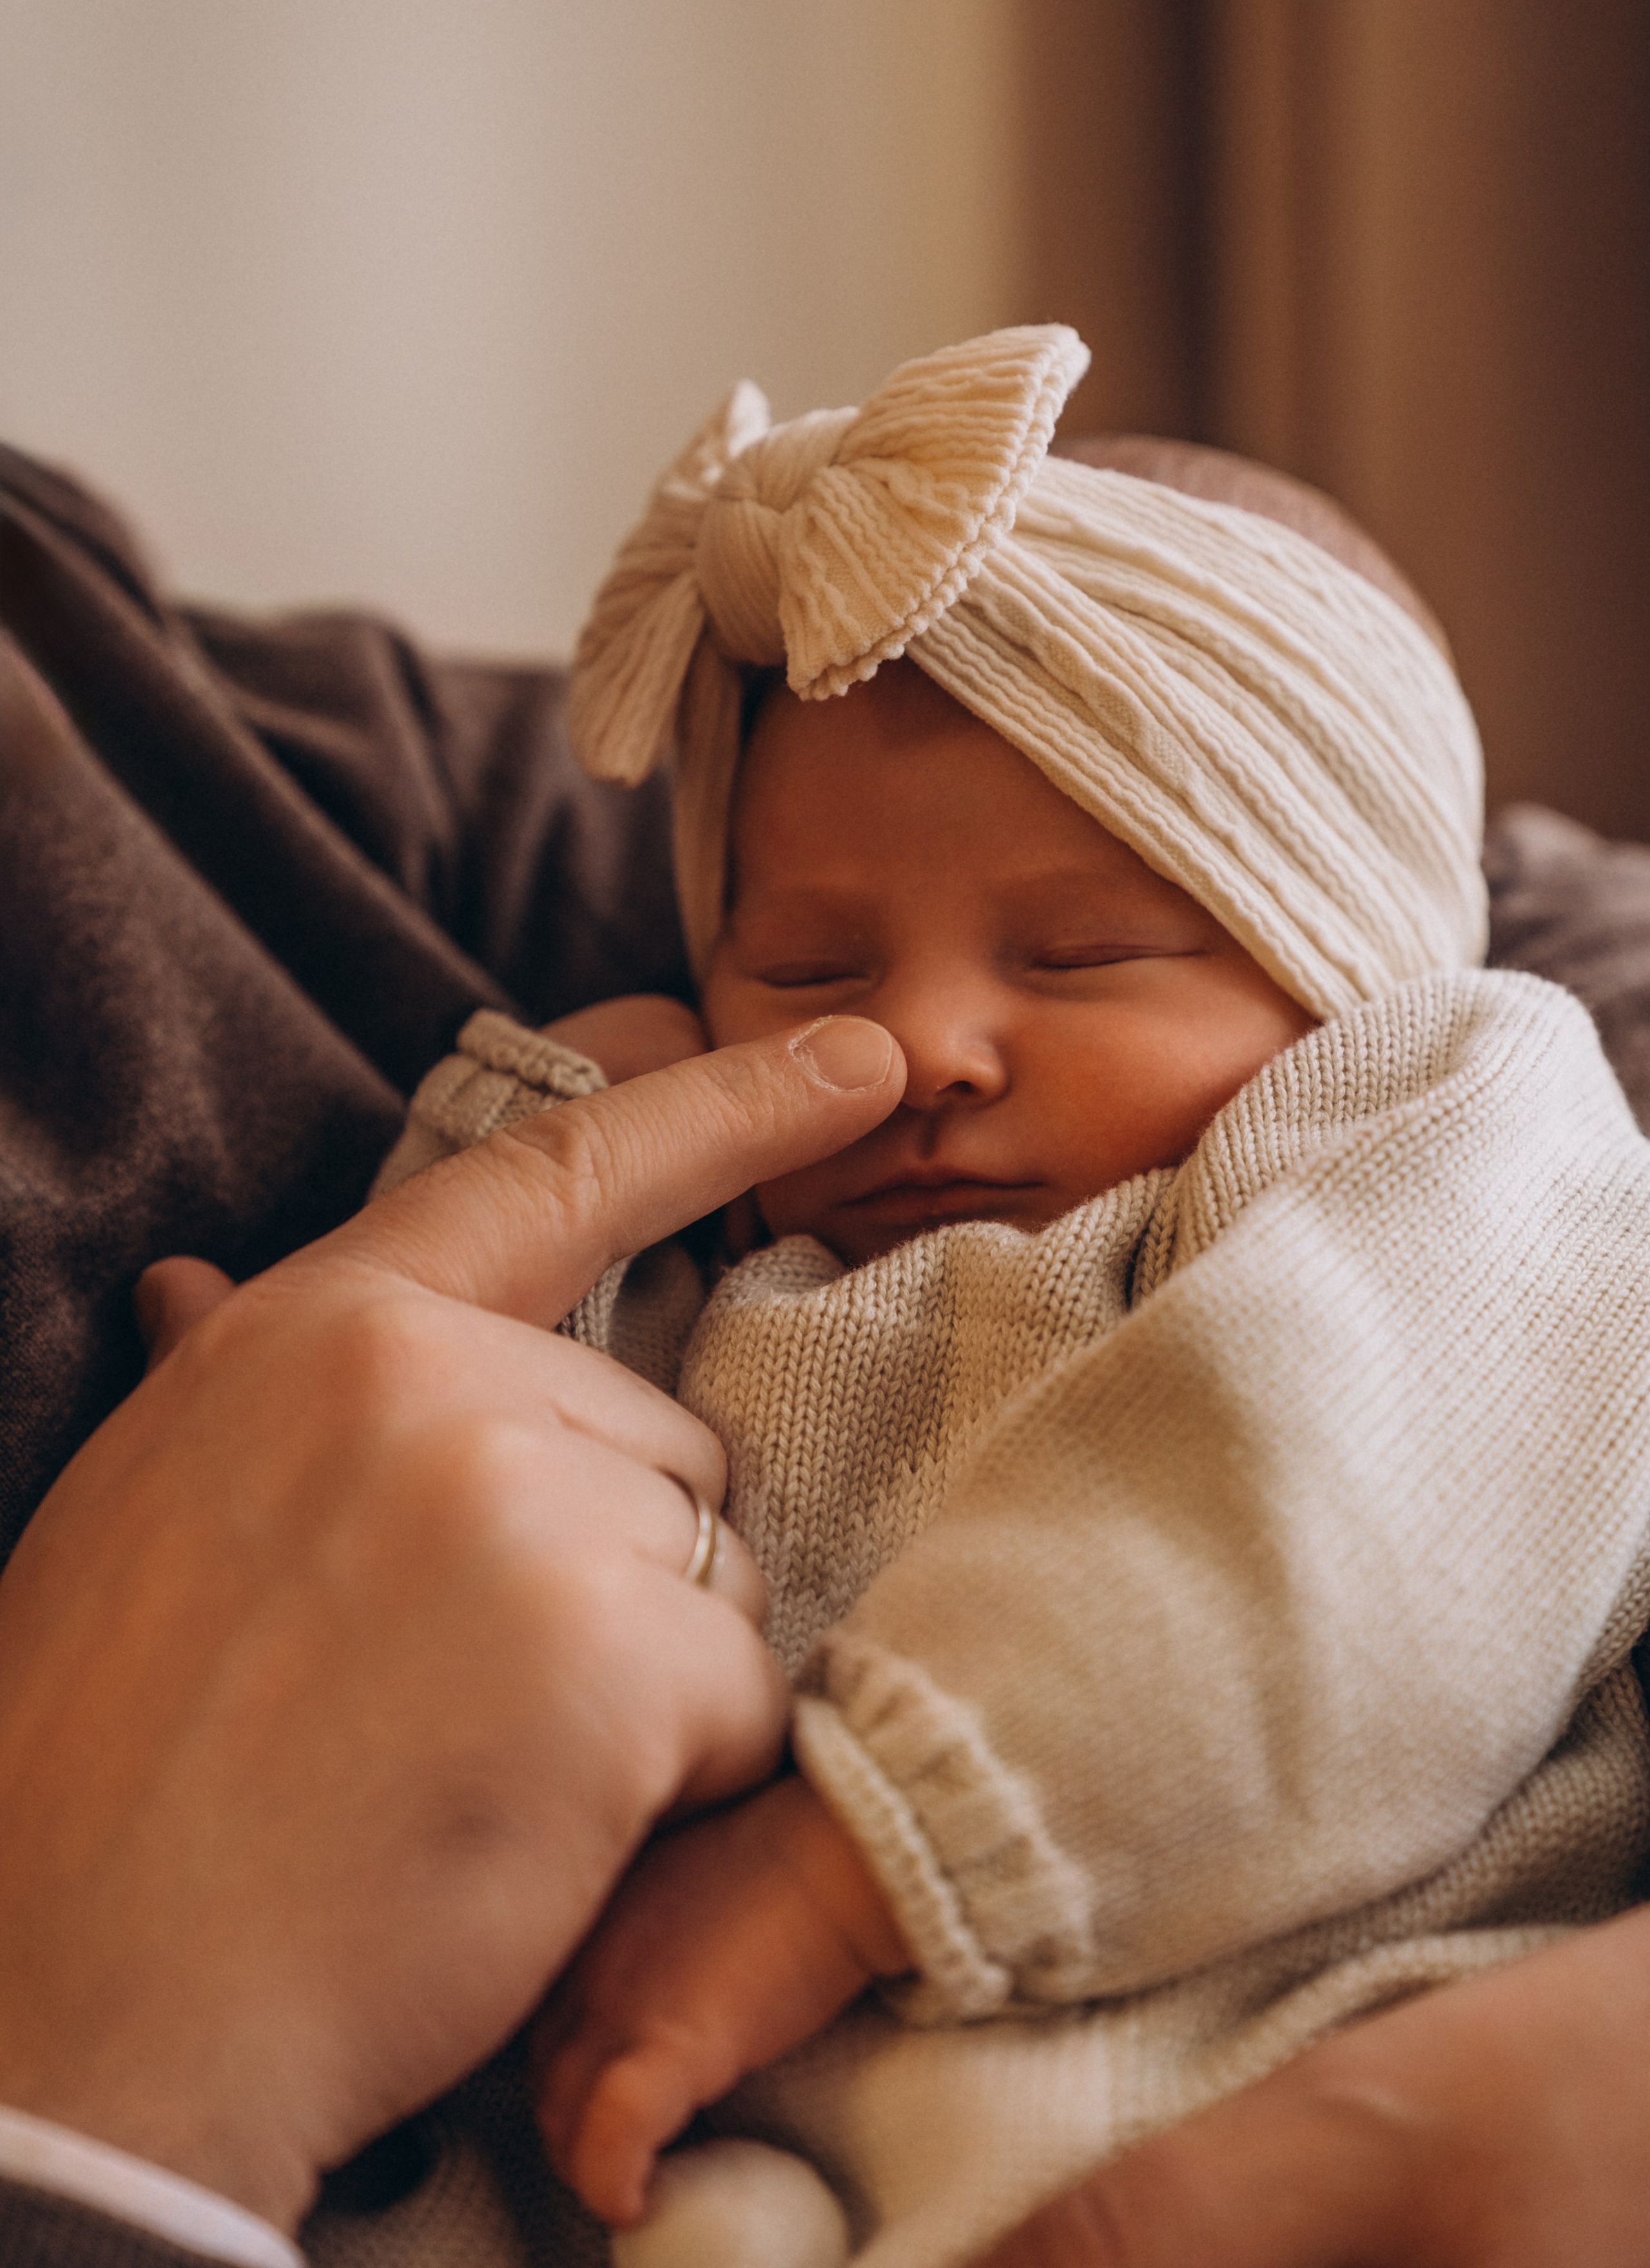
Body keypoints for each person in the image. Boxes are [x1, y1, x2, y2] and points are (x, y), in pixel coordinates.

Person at [1, 411, 1649, 2268]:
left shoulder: (1443, 1137)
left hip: (1254, 2029)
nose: (924, 1043)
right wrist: (447, 1221)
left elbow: (1358, 1518)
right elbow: (429, 1516)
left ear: (1360, 956)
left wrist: (847, 1865)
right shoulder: (755, 1274)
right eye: (805, 965)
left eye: (1087, 952)